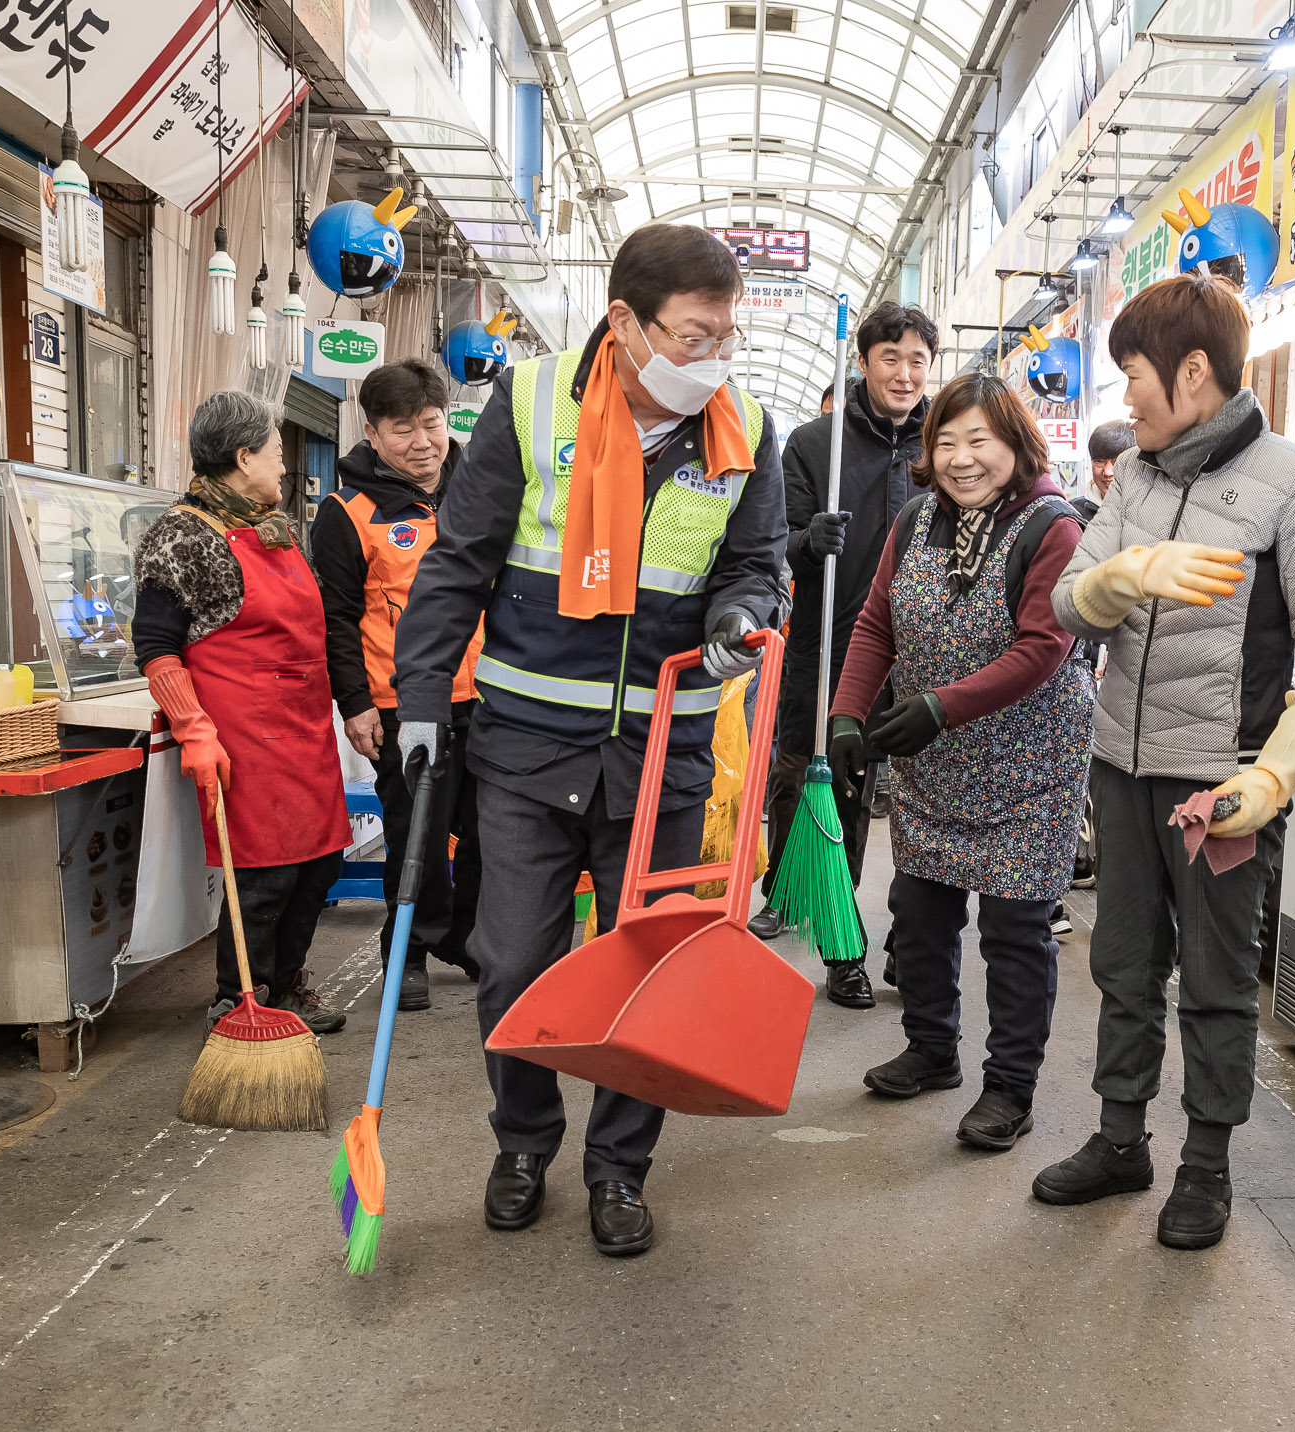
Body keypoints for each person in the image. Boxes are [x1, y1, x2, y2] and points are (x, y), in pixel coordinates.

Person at [394, 222, 787, 1258]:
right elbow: (457, 563)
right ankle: (522, 1139)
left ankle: (619, 1168)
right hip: (528, 747)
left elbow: (758, 565)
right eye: (695, 336)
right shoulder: (527, 405)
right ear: (625, 322)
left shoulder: (742, 428)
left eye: (725, 335)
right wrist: (422, 696)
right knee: (511, 960)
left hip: (665, 751)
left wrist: (738, 617)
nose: (715, 358)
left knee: (642, 972)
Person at [1038, 273, 1295, 1250]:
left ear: (1191, 369)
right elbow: (1064, 603)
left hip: (1221, 786)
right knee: (1123, 963)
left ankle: (1206, 1165)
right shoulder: (1133, 476)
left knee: (1218, 979)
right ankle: (1119, 1138)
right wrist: (1124, 573)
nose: (1125, 396)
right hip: (1121, 769)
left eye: (1134, 374)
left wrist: (1273, 776)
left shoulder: (1294, 481)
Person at [829, 373, 1091, 1153]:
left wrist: (941, 705)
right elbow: (877, 621)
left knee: (1014, 932)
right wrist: (846, 713)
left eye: (978, 440)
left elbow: (1045, 647)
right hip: (931, 763)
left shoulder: (1054, 528)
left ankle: (1009, 1087)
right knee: (919, 911)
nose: (960, 458)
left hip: (1029, 768)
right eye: (945, 441)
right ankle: (931, 1047)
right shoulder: (915, 522)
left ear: (1015, 442)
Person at [136, 390, 352, 1035]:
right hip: (244, 736)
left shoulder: (272, 528)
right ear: (243, 456)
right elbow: (155, 648)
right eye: (277, 453)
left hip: (305, 730)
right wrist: (194, 731)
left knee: (319, 868)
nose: (285, 468)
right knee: (263, 881)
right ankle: (240, 997)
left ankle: (288, 985)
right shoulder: (182, 536)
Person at [753, 300, 937, 1008]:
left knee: (924, 804)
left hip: (923, 654)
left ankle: (907, 945)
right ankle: (840, 945)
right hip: (831, 644)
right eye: (891, 357)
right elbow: (772, 545)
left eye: (918, 359)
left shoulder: (943, 443)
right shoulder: (811, 444)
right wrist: (808, 543)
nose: (905, 372)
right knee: (831, 789)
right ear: (863, 363)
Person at [311, 357, 479, 1013]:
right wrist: (354, 703)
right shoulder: (347, 511)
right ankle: (408, 950)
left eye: (431, 423)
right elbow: (337, 616)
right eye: (402, 428)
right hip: (403, 704)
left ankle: (467, 936)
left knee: (494, 835)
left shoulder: (482, 492)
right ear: (374, 434)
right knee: (417, 837)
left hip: (489, 697)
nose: (421, 442)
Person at [1075, 420, 1135, 523]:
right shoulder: (1074, 513)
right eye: (1099, 461)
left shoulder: (1154, 512)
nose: (1107, 472)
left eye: (1117, 462)